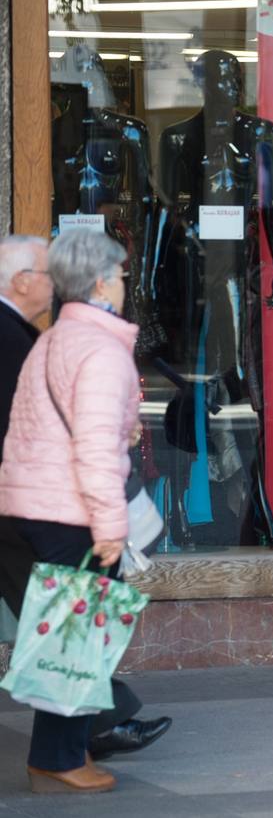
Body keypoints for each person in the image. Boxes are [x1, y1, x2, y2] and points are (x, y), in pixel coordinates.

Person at [0, 235, 170, 765]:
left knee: (66, 632)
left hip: (36, 502)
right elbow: (96, 449)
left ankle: (65, 755)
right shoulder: (96, 348)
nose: (123, 286)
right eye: (119, 277)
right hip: (68, 508)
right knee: (75, 634)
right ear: (99, 283)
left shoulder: (52, 340)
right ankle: (61, 760)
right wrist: (109, 525)